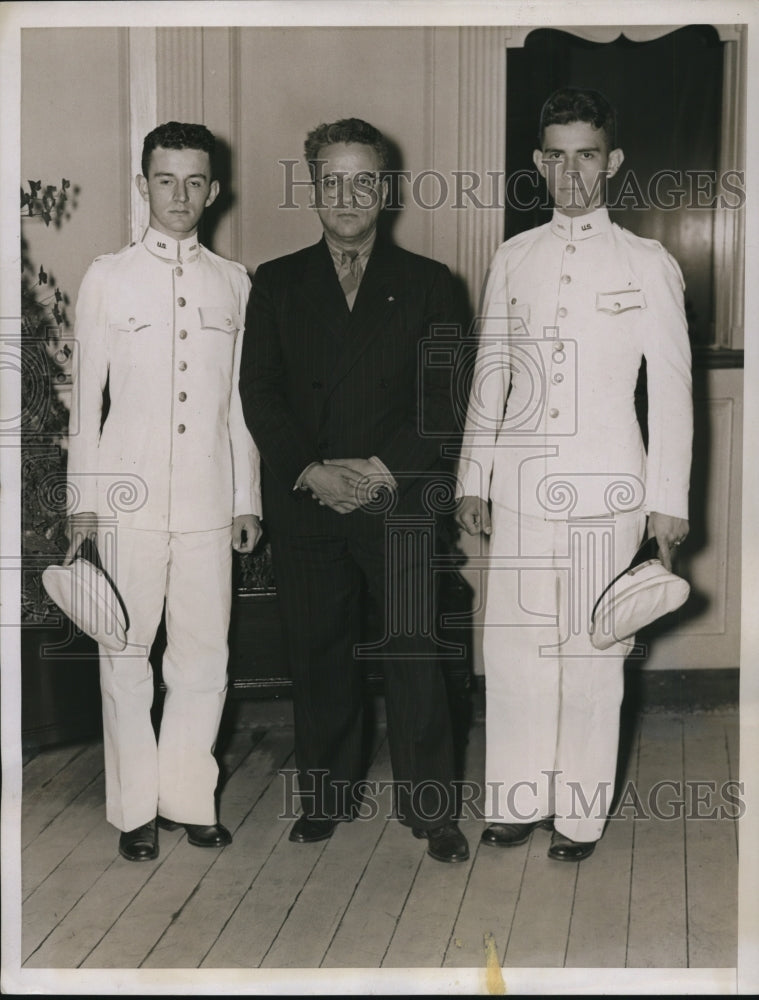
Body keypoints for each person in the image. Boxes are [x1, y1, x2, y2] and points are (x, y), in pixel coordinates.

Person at [456, 88, 692, 861]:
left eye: (585, 155)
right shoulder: (513, 257)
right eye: (555, 157)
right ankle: (516, 799)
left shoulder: (645, 263)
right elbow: (490, 376)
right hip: (520, 488)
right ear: (537, 163)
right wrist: (473, 478)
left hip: (609, 492)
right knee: (515, 652)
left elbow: (672, 391)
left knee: (593, 655)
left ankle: (579, 815)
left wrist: (667, 501)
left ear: (611, 161)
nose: (570, 172)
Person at [239, 117, 468, 863]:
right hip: (307, 498)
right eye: (331, 181)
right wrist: (311, 471)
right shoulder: (275, 282)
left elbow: (443, 402)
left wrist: (378, 472)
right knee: (318, 653)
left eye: (362, 180)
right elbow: (259, 392)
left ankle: (431, 808)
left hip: (395, 499)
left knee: (415, 653)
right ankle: (326, 796)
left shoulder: (430, 283)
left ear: (386, 189)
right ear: (311, 188)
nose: (346, 196)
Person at [65, 121, 262, 862]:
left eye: (194, 181)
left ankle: (187, 798)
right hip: (127, 503)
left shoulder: (234, 283)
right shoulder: (108, 277)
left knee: (204, 659)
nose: (179, 195)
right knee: (125, 655)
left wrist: (247, 499)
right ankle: (135, 809)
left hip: (209, 501)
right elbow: (85, 401)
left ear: (214, 191)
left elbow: (239, 406)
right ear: (142, 184)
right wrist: (83, 503)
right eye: (165, 180)